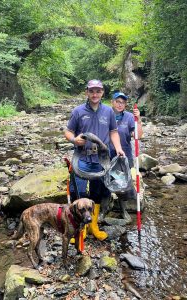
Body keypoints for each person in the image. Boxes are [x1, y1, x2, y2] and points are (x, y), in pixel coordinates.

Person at [64, 79, 125, 241]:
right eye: (92, 91)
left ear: (102, 92)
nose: (95, 94)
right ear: (87, 92)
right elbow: (68, 132)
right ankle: (80, 230)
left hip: (101, 159)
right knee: (80, 193)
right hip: (81, 158)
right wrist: (74, 140)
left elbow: (113, 132)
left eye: (98, 91)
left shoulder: (108, 112)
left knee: (97, 194)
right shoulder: (78, 111)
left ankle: (94, 226)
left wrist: (118, 148)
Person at [99, 91, 143, 223]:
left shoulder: (129, 117)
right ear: (112, 102)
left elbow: (138, 136)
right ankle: (103, 210)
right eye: (117, 101)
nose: (120, 104)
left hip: (124, 156)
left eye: (123, 102)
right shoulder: (104, 115)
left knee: (122, 184)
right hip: (105, 155)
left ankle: (123, 210)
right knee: (104, 183)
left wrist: (138, 120)